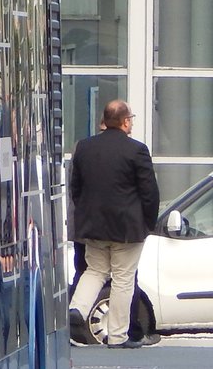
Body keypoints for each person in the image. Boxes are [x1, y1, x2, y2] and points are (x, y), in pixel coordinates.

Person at [68, 100, 160, 350]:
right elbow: (149, 192)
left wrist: (87, 215)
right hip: (127, 229)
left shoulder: (84, 148)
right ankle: (118, 336)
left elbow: (76, 188)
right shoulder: (137, 150)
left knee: (95, 270)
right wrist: (148, 223)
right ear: (125, 121)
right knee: (123, 277)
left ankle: (77, 308)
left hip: (93, 226)